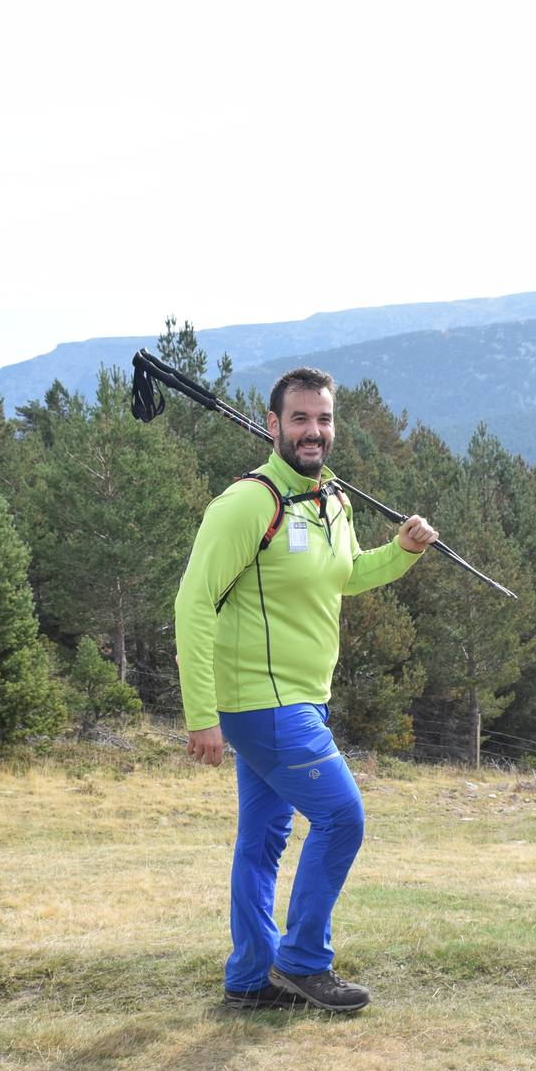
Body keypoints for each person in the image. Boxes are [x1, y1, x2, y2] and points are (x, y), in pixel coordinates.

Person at [174, 367, 436, 1012]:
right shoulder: (246, 504)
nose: (312, 431)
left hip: (302, 695)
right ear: (273, 425)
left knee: (262, 841)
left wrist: (401, 550)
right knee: (342, 817)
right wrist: (201, 714)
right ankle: (303, 961)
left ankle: (250, 979)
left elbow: (343, 575)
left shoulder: (331, 500)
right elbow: (193, 603)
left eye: (322, 419)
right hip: (261, 702)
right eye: (299, 419)